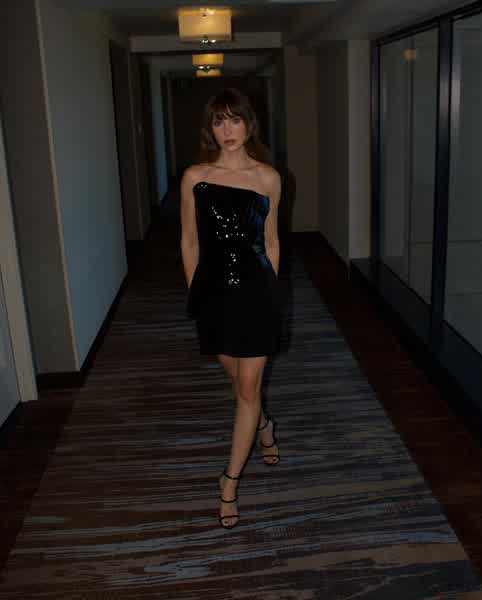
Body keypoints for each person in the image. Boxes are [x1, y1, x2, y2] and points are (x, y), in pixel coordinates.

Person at [180, 88, 282, 529]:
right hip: (215, 295)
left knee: (246, 390)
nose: (228, 130)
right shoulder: (195, 177)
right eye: (219, 121)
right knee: (239, 383)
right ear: (210, 129)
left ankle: (229, 482)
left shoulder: (268, 178)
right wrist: (196, 294)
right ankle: (264, 426)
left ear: (248, 124)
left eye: (234, 119)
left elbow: (272, 242)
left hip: (258, 292)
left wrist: (273, 295)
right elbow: (189, 242)